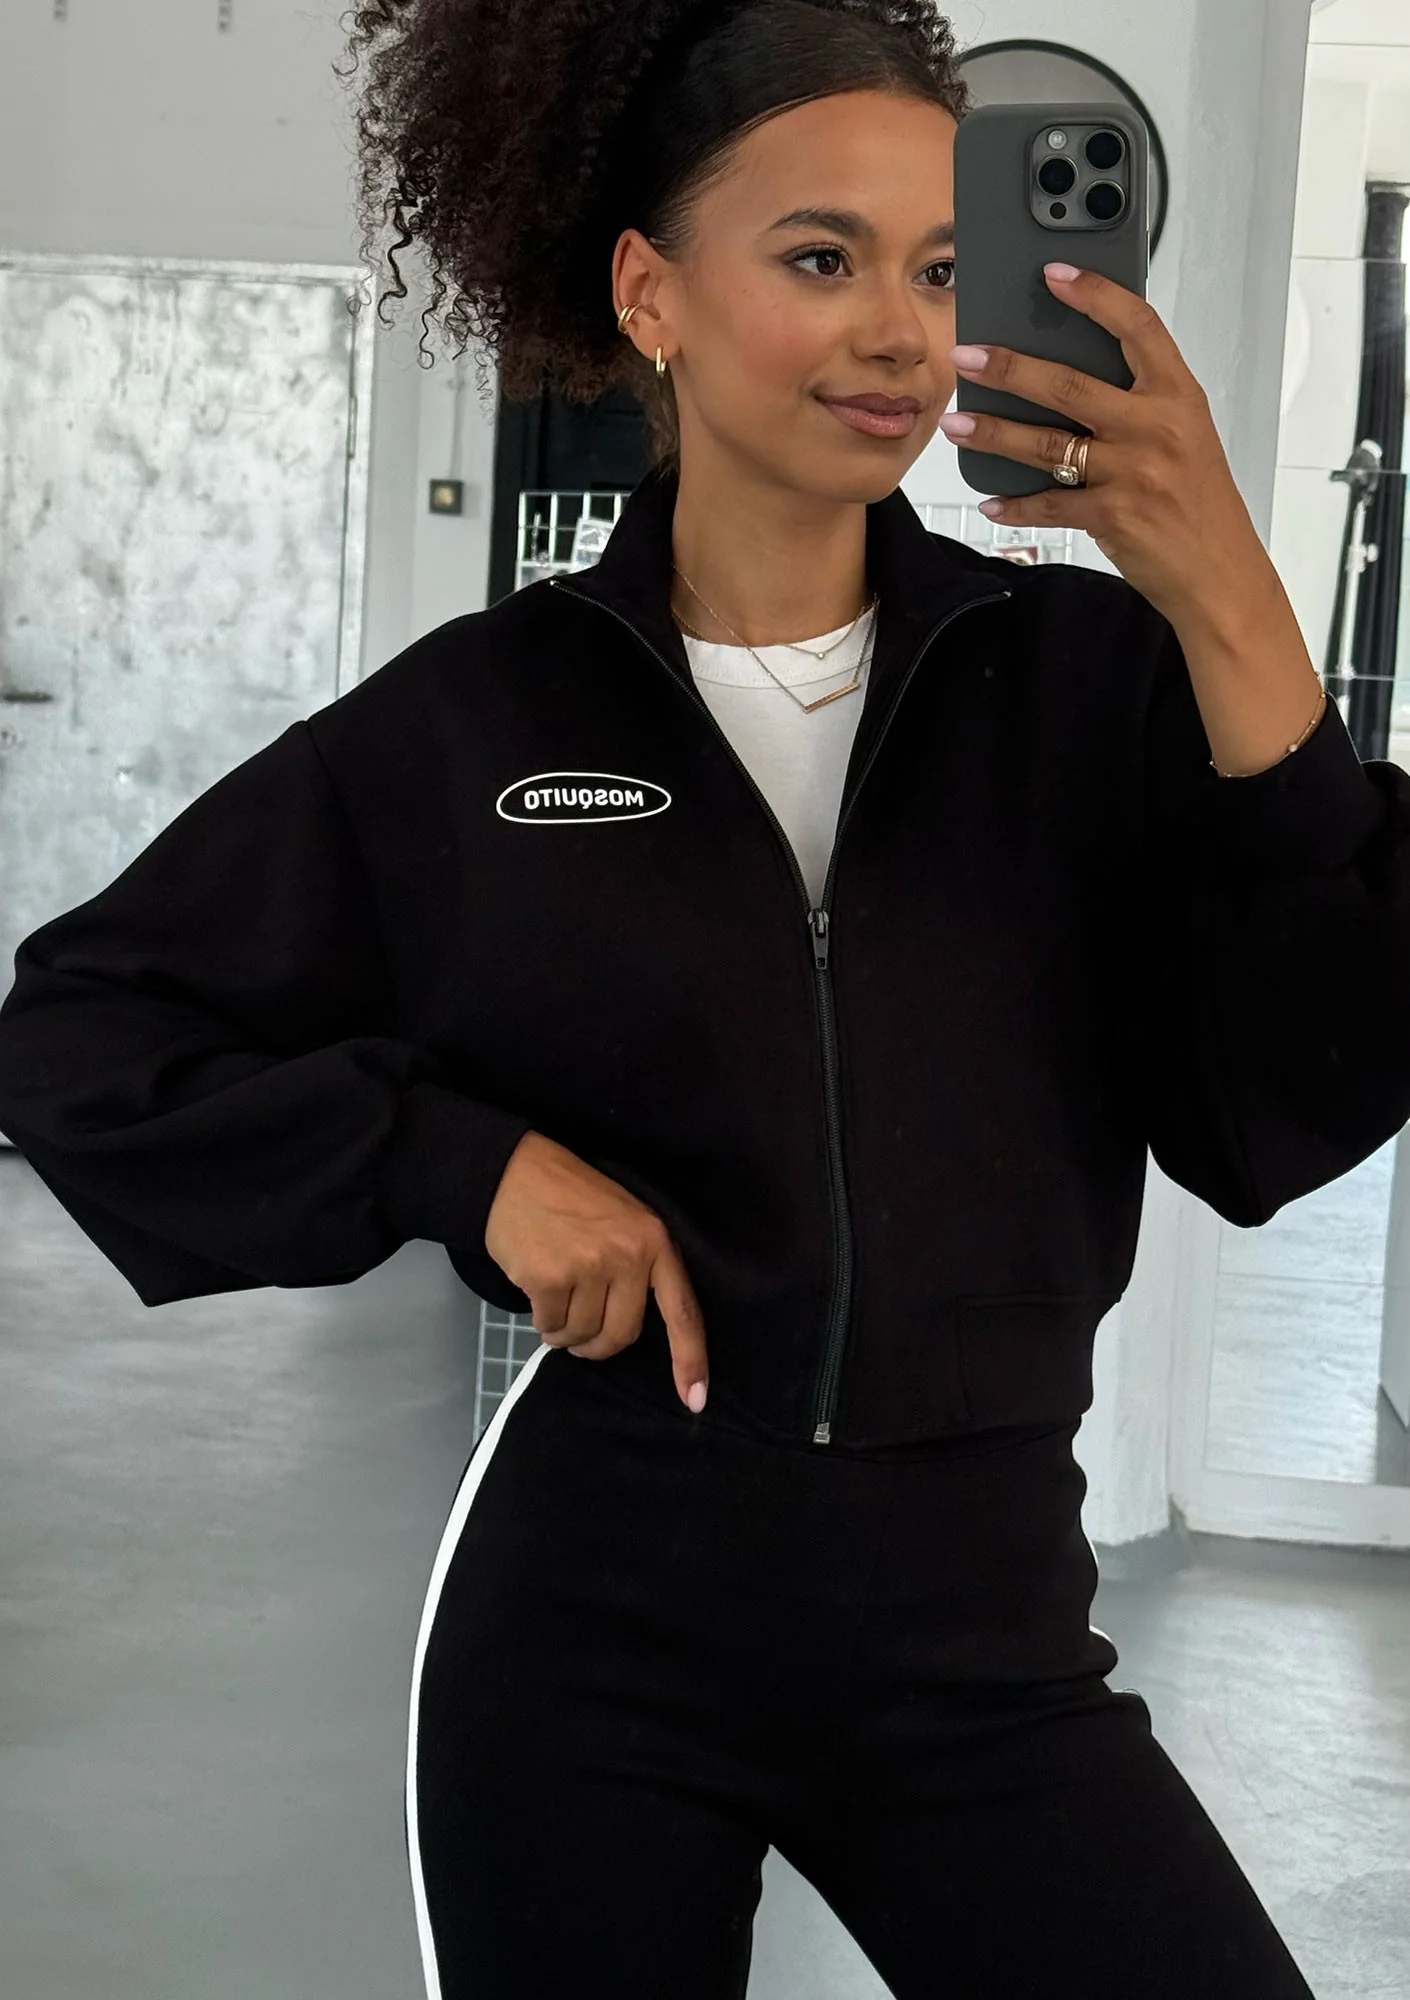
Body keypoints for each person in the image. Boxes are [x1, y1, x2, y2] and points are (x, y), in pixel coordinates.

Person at [2, 2, 1408, 1994]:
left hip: (984, 1656)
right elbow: (81, 1029)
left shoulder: (1086, 690)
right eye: (822, 257)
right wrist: (464, 1165)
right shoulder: (478, 727)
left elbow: (1282, 1104)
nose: (898, 331)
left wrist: (1229, 596)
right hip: (593, 1653)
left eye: (942, 270)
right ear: (648, 294)